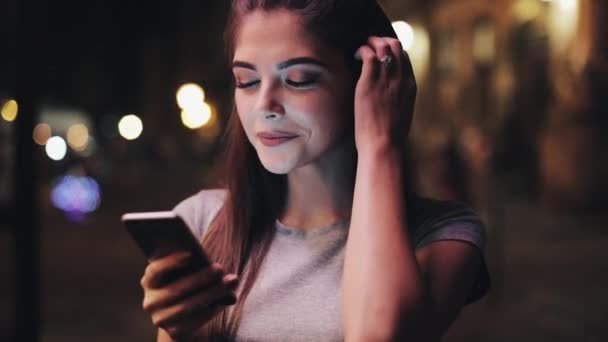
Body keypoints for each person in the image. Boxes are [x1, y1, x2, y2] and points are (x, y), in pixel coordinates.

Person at [139, 0, 490, 341]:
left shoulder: (444, 234)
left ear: (368, 82)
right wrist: (177, 331)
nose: (265, 106)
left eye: (299, 79)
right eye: (246, 81)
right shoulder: (203, 222)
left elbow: (377, 334)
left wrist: (380, 144)